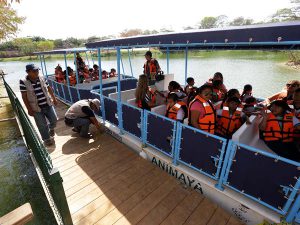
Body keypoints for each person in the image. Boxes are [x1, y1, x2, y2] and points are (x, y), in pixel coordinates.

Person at [20, 64, 58, 146]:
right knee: (42, 125)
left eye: (37, 70)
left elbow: (48, 88)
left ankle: (51, 128)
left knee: (54, 119)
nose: (36, 72)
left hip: (47, 104)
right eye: (34, 71)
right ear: (28, 72)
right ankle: (47, 139)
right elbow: (24, 96)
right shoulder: (23, 82)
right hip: (36, 108)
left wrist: (54, 98)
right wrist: (29, 109)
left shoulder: (42, 77)